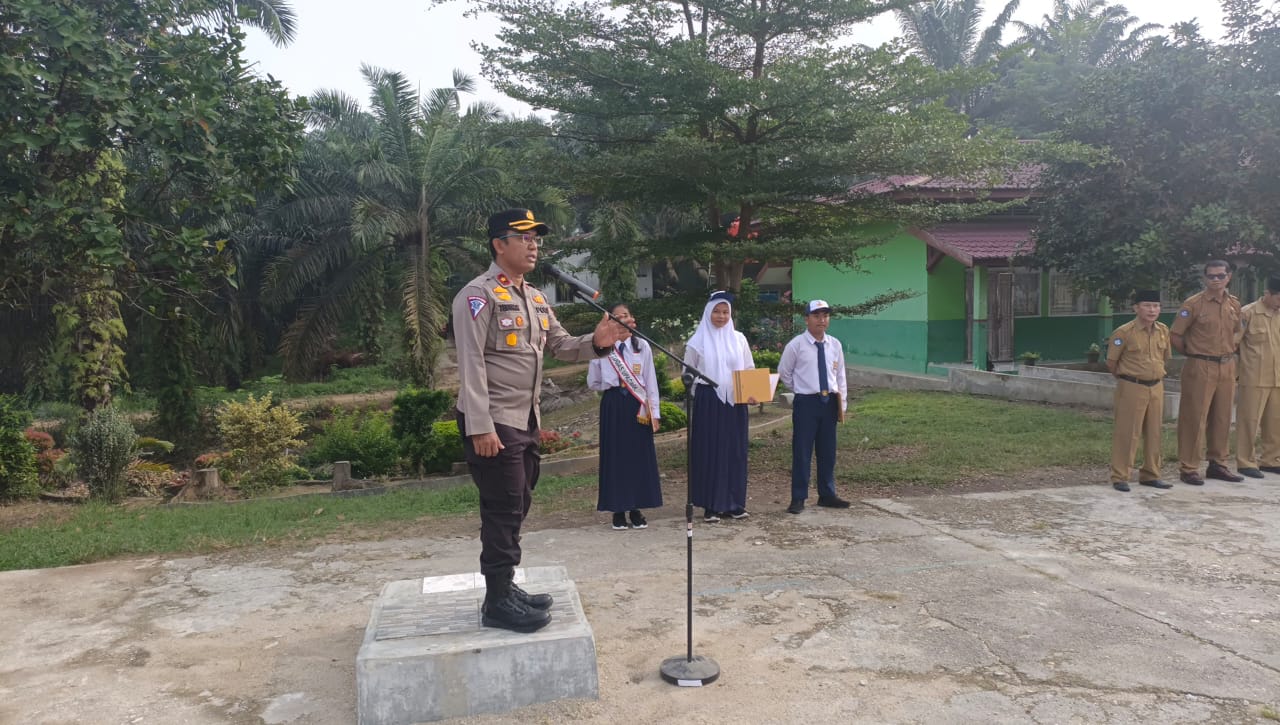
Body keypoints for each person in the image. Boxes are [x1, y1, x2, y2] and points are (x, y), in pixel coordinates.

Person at [452, 208, 630, 633]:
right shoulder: (477, 296)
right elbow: (471, 362)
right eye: (524, 237)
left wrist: (599, 342)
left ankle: (504, 586)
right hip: (494, 419)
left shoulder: (533, 297)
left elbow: (564, 346)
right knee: (503, 506)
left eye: (538, 239)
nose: (535, 245)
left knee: (518, 503)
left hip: (524, 418)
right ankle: (497, 601)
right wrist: (480, 426)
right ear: (499, 244)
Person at [587, 303, 663, 530]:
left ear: (632, 319)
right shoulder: (602, 348)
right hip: (613, 404)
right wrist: (612, 385)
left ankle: (636, 508)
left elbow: (651, 381)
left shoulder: (642, 347)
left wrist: (654, 412)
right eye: (616, 317)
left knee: (637, 457)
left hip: (638, 406)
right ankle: (618, 510)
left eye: (625, 316)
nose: (621, 320)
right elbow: (593, 381)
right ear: (609, 322)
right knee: (616, 457)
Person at [1170, 260, 1244, 486]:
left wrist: (1231, 349)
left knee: (1222, 416)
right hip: (1200, 365)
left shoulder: (1233, 304)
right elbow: (1175, 336)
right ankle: (1189, 467)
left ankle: (1218, 463)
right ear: (1204, 278)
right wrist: (1194, 354)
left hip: (1226, 364)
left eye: (1220, 276)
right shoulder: (1193, 305)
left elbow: (1238, 330)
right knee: (1195, 416)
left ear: (1228, 277)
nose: (1216, 280)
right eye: (1211, 276)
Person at [684, 291, 755, 522]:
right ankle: (710, 505)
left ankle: (734, 503)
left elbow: (748, 369)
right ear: (708, 312)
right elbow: (687, 373)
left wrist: (753, 393)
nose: (721, 316)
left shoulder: (739, 339)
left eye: (725, 312)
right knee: (709, 450)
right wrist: (703, 392)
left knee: (734, 451)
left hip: (736, 401)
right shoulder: (697, 342)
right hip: (708, 401)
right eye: (716, 311)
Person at [778, 299, 851, 513]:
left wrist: (842, 403)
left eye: (825, 316)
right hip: (806, 403)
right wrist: (801, 389)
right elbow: (785, 373)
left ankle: (827, 494)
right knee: (802, 451)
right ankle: (798, 497)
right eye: (817, 315)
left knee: (827, 451)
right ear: (807, 319)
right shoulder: (797, 345)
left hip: (829, 402)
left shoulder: (834, 345)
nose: (822, 320)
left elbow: (840, 375)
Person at [1106, 290, 1172, 492]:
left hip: (1156, 386)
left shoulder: (1162, 330)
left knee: (1154, 432)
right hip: (1132, 386)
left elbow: (1166, 356)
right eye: (1147, 305)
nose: (1152, 310)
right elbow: (1111, 362)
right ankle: (1121, 476)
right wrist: (1128, 379)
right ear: (1136, 308)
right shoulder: (1124, 332)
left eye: (1156, 306)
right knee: (1128, 432)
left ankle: (1151, 474)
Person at [1235, 276, 1280, 478]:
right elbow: (1233, 343)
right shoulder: (1248, 313)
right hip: (1254, 377)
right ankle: (1245, 461)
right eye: (1278, 297)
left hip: (1277, 378)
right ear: (1267, 293)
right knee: (1249, 421)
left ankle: (1271, 460)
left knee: (1275, 422)